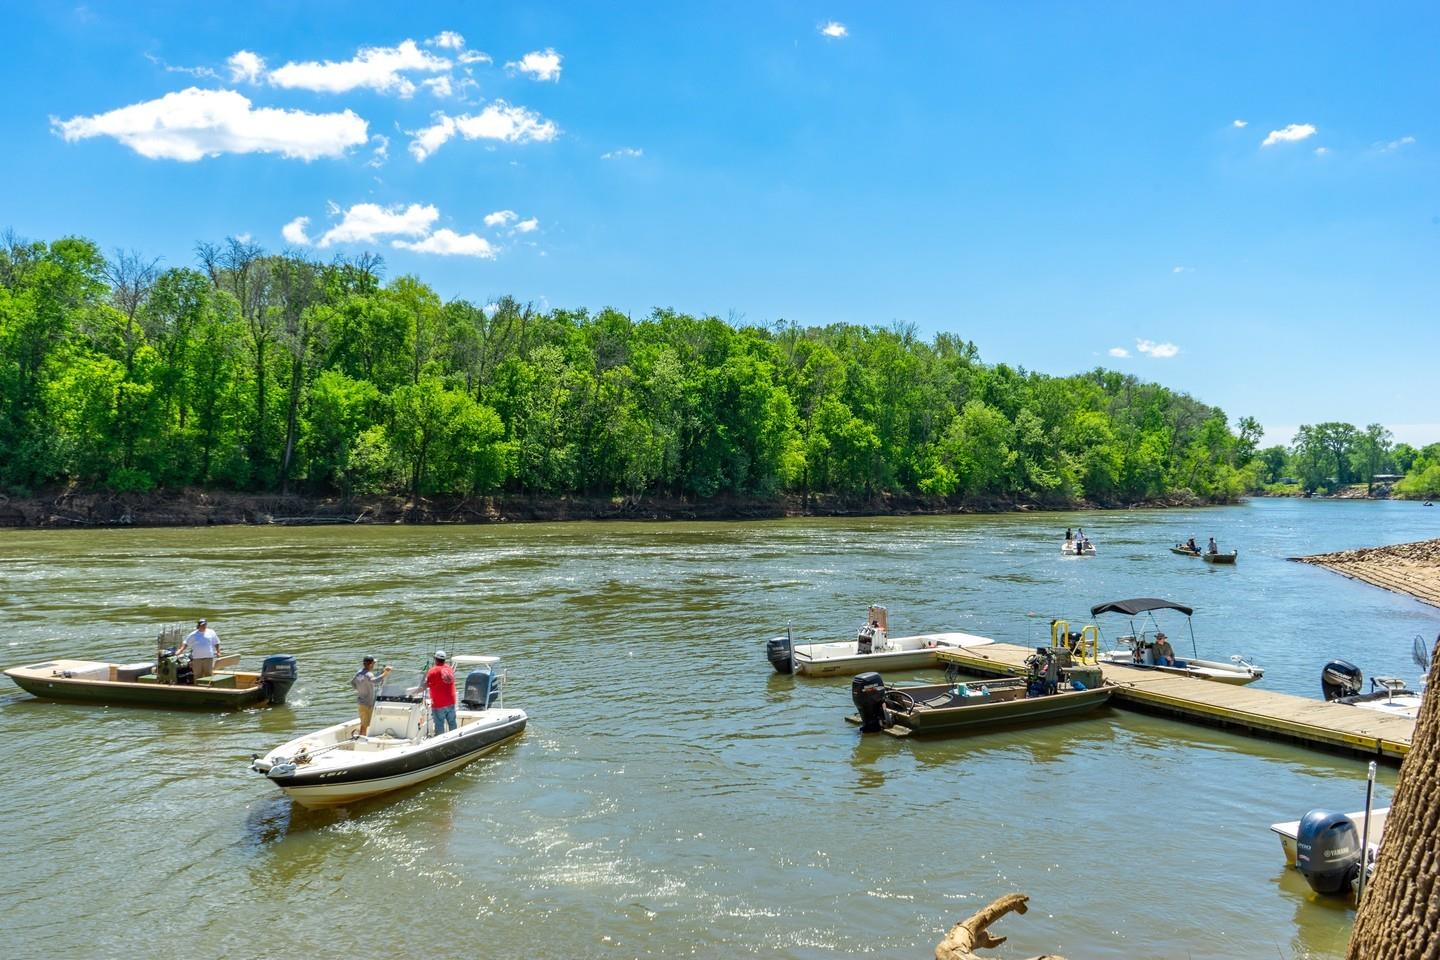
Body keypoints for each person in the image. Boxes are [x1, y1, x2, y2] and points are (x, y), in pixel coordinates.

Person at [351, 656, 392, 737]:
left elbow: (353, 683)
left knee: (364, 724)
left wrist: (360, 689)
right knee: (364, 725)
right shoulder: (369, 674)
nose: (374, 665)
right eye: (374, 663)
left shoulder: (359, 673)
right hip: (367, 704)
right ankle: (362, 741)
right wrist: (385, 674)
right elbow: (375, 681)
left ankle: (363, 738)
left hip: (361, 703)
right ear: (370, 664)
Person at [425, 650, 458, 736]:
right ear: (444, 660)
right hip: (451, 701)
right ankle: (454, 738)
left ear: (435, 659)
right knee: (452, 723)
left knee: (439, 725)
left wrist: (415, 692)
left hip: (439, 704)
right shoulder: (449, 669)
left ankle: (440, 741)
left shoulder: (432, 671)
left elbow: (426, 684)